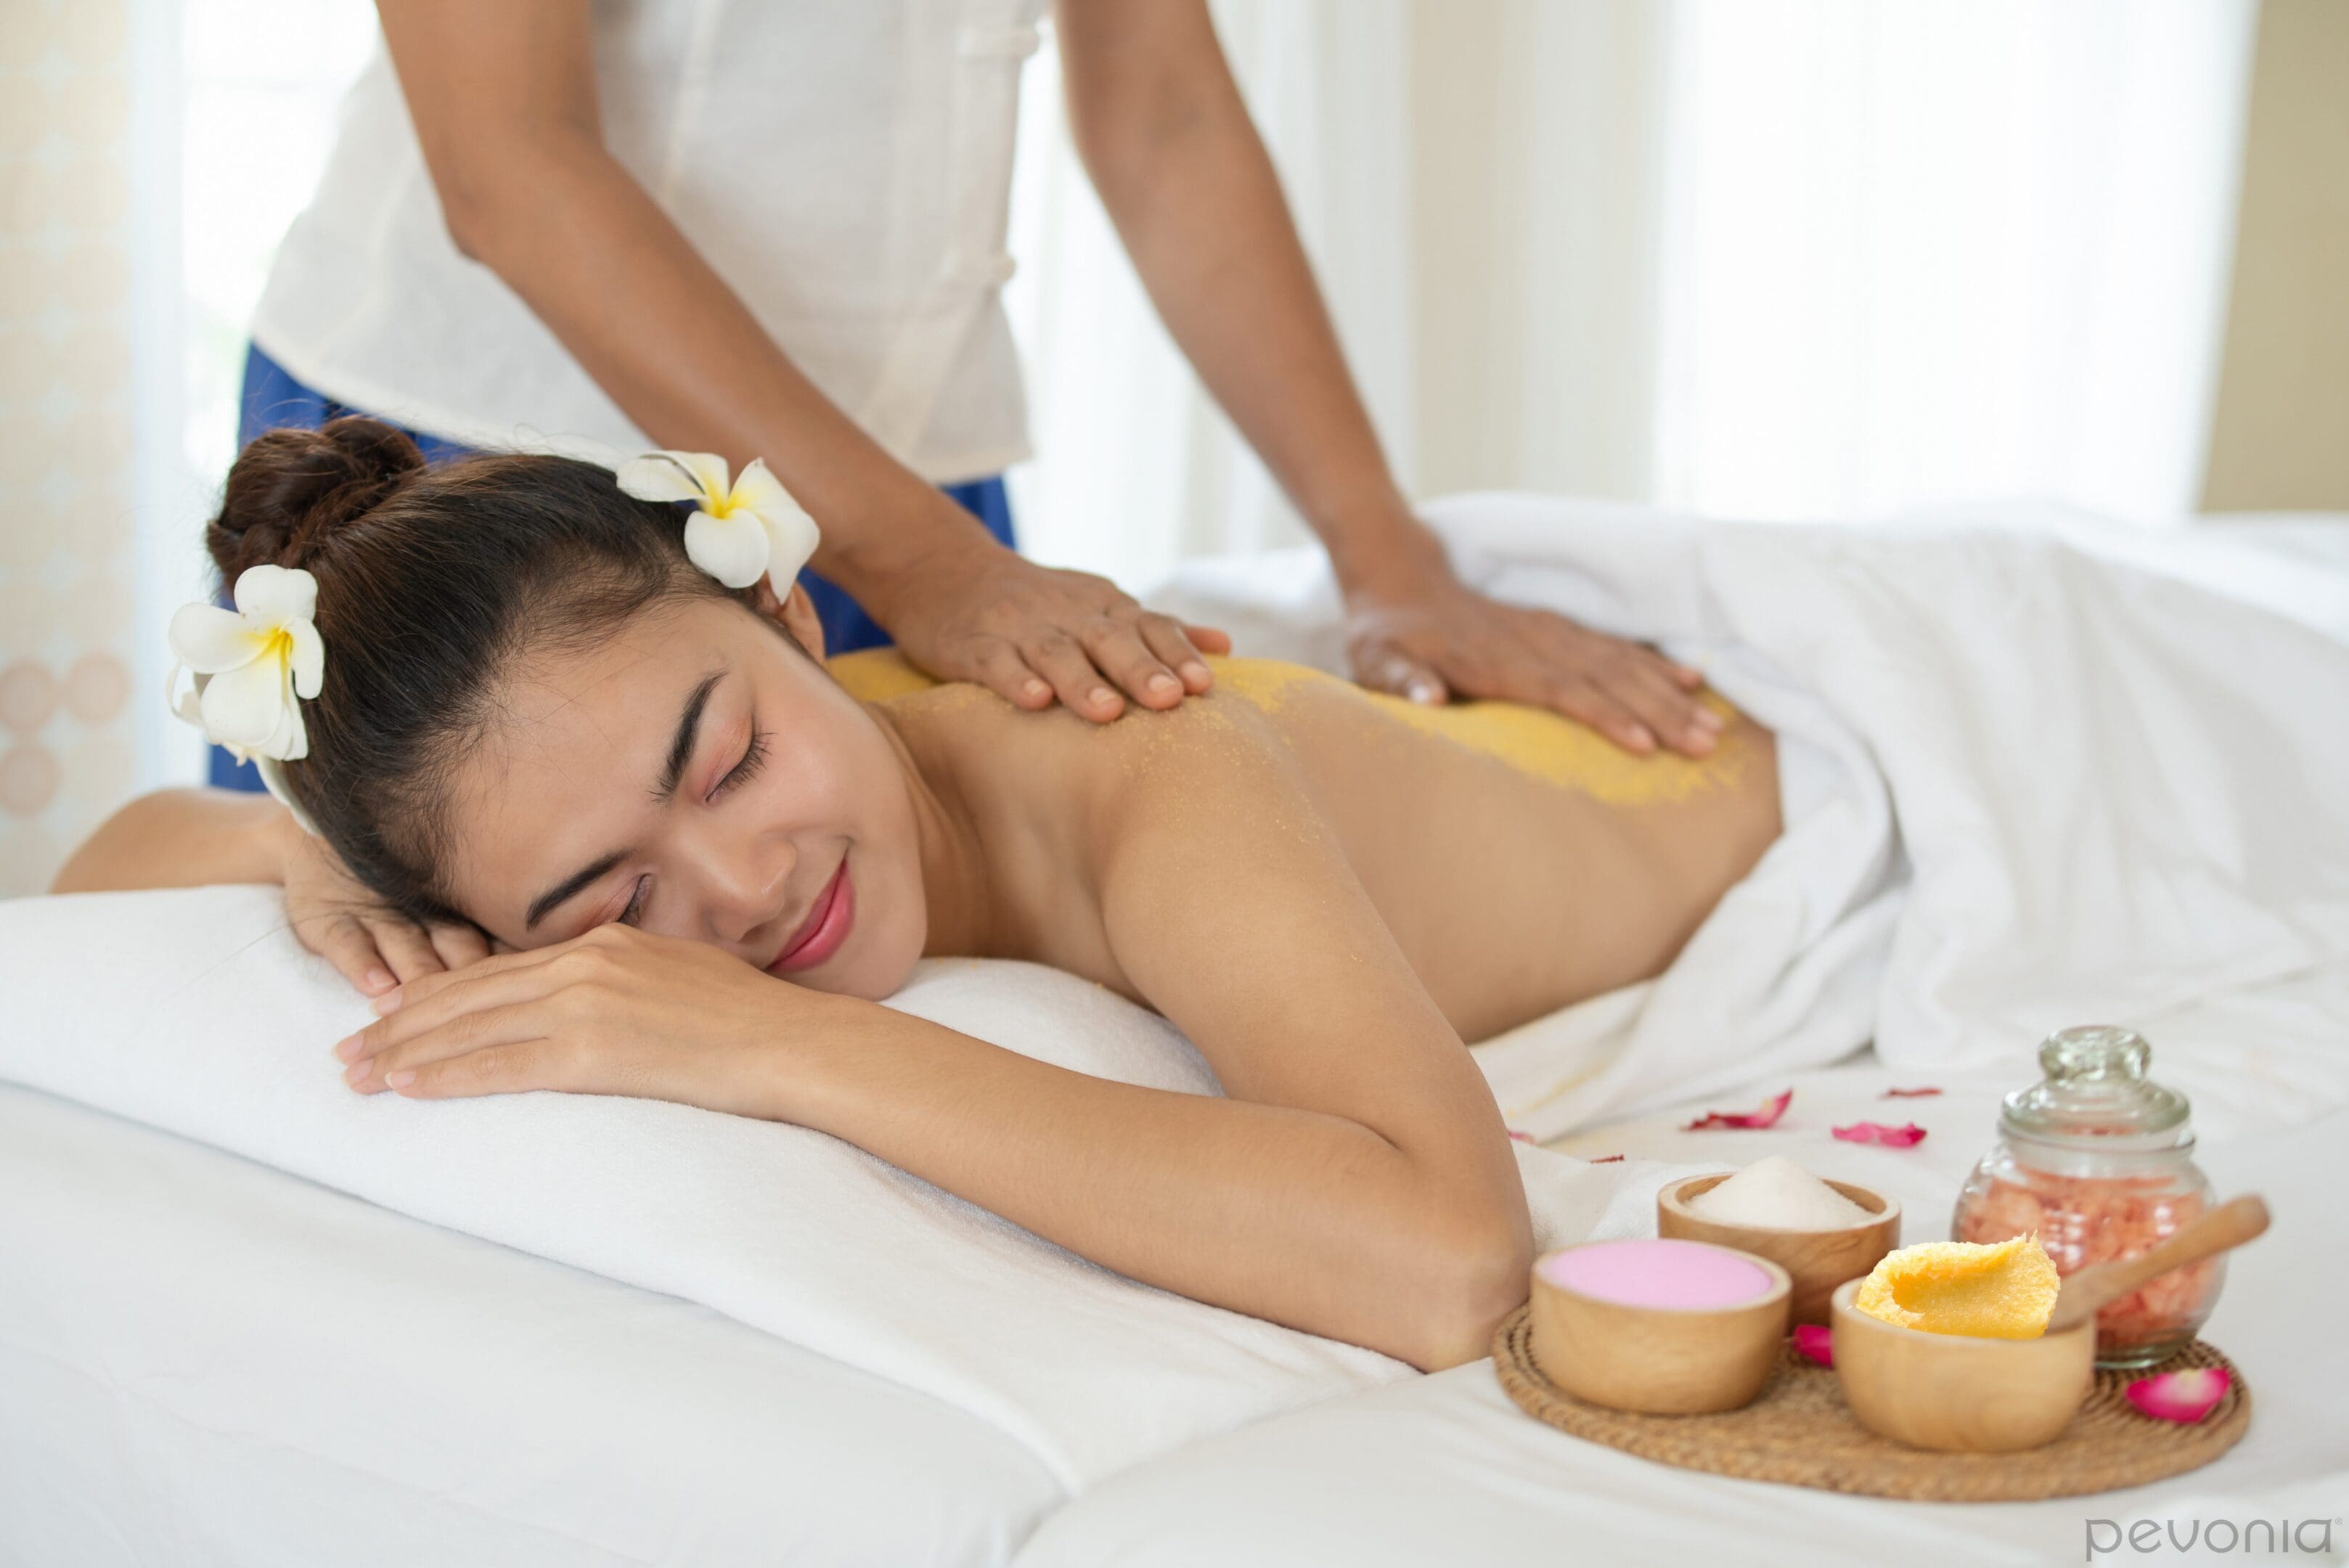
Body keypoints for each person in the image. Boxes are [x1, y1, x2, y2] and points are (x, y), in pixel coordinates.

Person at [60, 422, 1779, 1368]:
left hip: (1746, 768)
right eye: (601, 898)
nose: (739, 892)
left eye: (728, 760)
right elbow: (107, 865)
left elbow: (1447, 1261)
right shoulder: (599, 810)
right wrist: (297, 862)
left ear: (801, 620)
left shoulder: (1147, 773)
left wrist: (778, 1052)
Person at [224, 0, 1719, 777]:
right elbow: (511, 164)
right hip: (485, 455)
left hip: (897, 473)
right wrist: (937, 568)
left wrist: (1385, 560)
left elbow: (1162, 108)